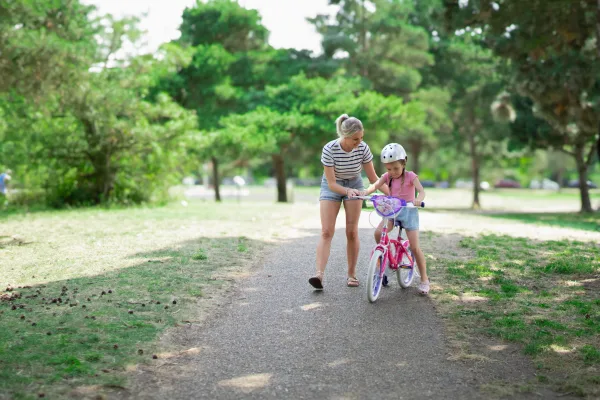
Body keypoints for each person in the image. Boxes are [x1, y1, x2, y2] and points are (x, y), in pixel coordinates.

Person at [309, 114, 384, 290]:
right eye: (355, 139)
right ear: (345, 136)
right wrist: (347, 191)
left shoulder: (363, 148)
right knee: (327, 231)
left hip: (355, 184)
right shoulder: (330, 149)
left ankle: (351, 274)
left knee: (351, 232)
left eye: (361, 138)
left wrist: (393, 193)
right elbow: (332, 183)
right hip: (332, 186)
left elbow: (374, 178)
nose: (359, 142)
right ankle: (319, 275)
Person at [360, 143, 430, 295]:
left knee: (414, 246)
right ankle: (384, 254)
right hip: (392, 211)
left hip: (409, 212)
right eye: (389, 169)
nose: (392, 172)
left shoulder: (411, 176)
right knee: (378, 233)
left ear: (404, 163)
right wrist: (365, 192)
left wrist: (419, 200)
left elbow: (421, 191)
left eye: (396, 168)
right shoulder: (387, 177)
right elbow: (375, 185)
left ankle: (424, 279)